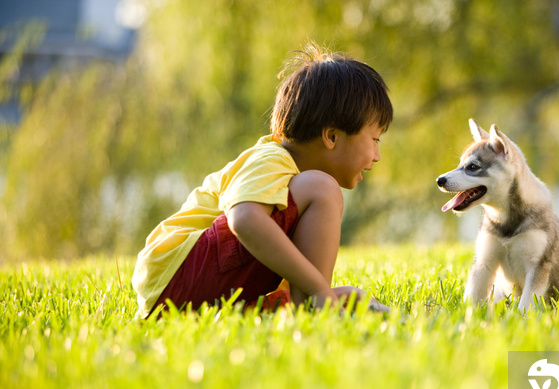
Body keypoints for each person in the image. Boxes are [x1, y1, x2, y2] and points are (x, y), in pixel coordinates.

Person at [132, 42, 393, 319]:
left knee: (341, 294)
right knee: (323, 188)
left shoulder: (292, 189)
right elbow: (243, 219)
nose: (377, 156)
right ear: (331, 137)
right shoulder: (272, 158)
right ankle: (317, 307)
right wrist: (319, 290)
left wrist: (323, 292)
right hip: (178, 277)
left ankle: (312, 308)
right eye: (375, 140)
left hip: (183, 296)